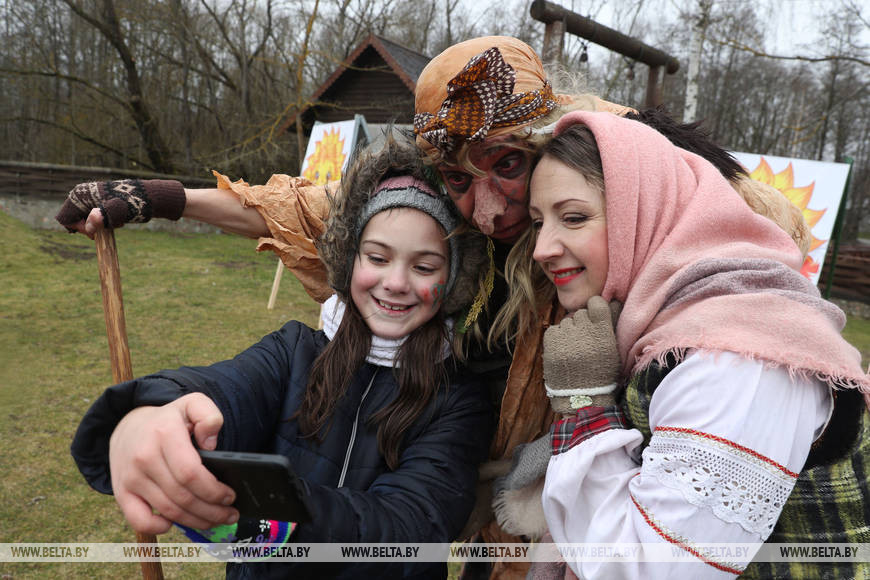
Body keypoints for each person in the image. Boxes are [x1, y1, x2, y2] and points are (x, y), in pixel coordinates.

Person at [57, 36, 815, 578]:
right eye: (457, 179)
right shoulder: (317, 339)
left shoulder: (606, 176)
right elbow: (319, 207)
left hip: (587, 482)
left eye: (509, 168)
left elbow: (746, 217)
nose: (487, 210)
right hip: (486, 477)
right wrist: (163, 199)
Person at [70, 135, 494, 579]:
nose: (396, 282)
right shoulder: (294, 352)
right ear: (349, 261)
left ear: (454, 278)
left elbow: (410, 530)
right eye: (377, 257)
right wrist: (145, 415)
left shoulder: (459, 399)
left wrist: (275, 522)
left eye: (424, 267)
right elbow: (222, 389)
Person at [493, 110, 870, 578]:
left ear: (645, 212)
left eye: (573, 217)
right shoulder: (669, 326)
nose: (542, 248)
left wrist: (584, 403)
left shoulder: (739, 356)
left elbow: (651, 569)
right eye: (537, 222)